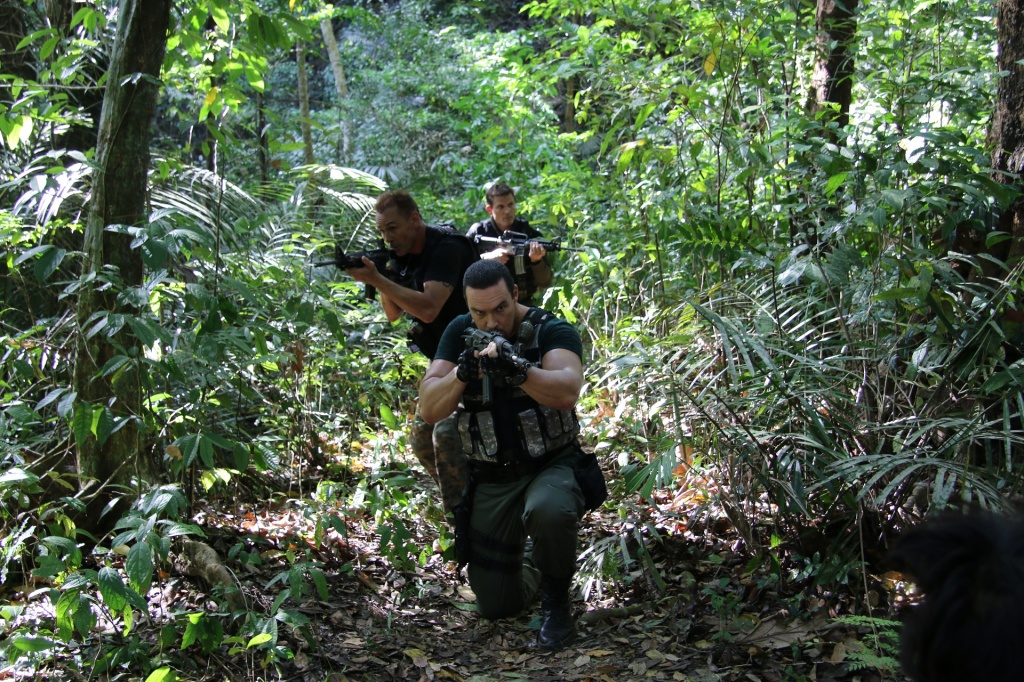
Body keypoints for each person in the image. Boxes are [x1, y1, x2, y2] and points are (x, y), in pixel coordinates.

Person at [418, 259, 606, 651]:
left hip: (549, 464)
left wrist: (519, 369)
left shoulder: (549, 329)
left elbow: (567, 390)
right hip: (492, 477)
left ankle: (557, 603)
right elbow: (429, 409)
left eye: (500, 308)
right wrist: (462, 373)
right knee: (497, 605)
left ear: (516, 294)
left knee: (549, 511)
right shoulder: (459, 331)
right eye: (479, 312)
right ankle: (538, 559)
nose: (491, 322)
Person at [345, 190, 478, 514]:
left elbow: (429, 308)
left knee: (446, 433)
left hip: (480, 354)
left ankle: (465, 520)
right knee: (421, 438)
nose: (387, 238)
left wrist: (379, 278)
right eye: (381, 231)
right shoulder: (400, 259)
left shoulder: (446, 249)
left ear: (415, 220)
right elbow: (393, 314)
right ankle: (472, 496)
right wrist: (380, 278)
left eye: (392, 228)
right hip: (444, 360)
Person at [466, 183, 553, 304]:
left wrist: (536, 261)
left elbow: (545, 282)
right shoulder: (478, 232)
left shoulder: (530, 234)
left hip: (522, 303)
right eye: (500, 207)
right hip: (487, 303)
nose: (507, 211)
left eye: (510, 205)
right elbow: (462, 269)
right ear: (490, 209)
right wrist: (486, 259)